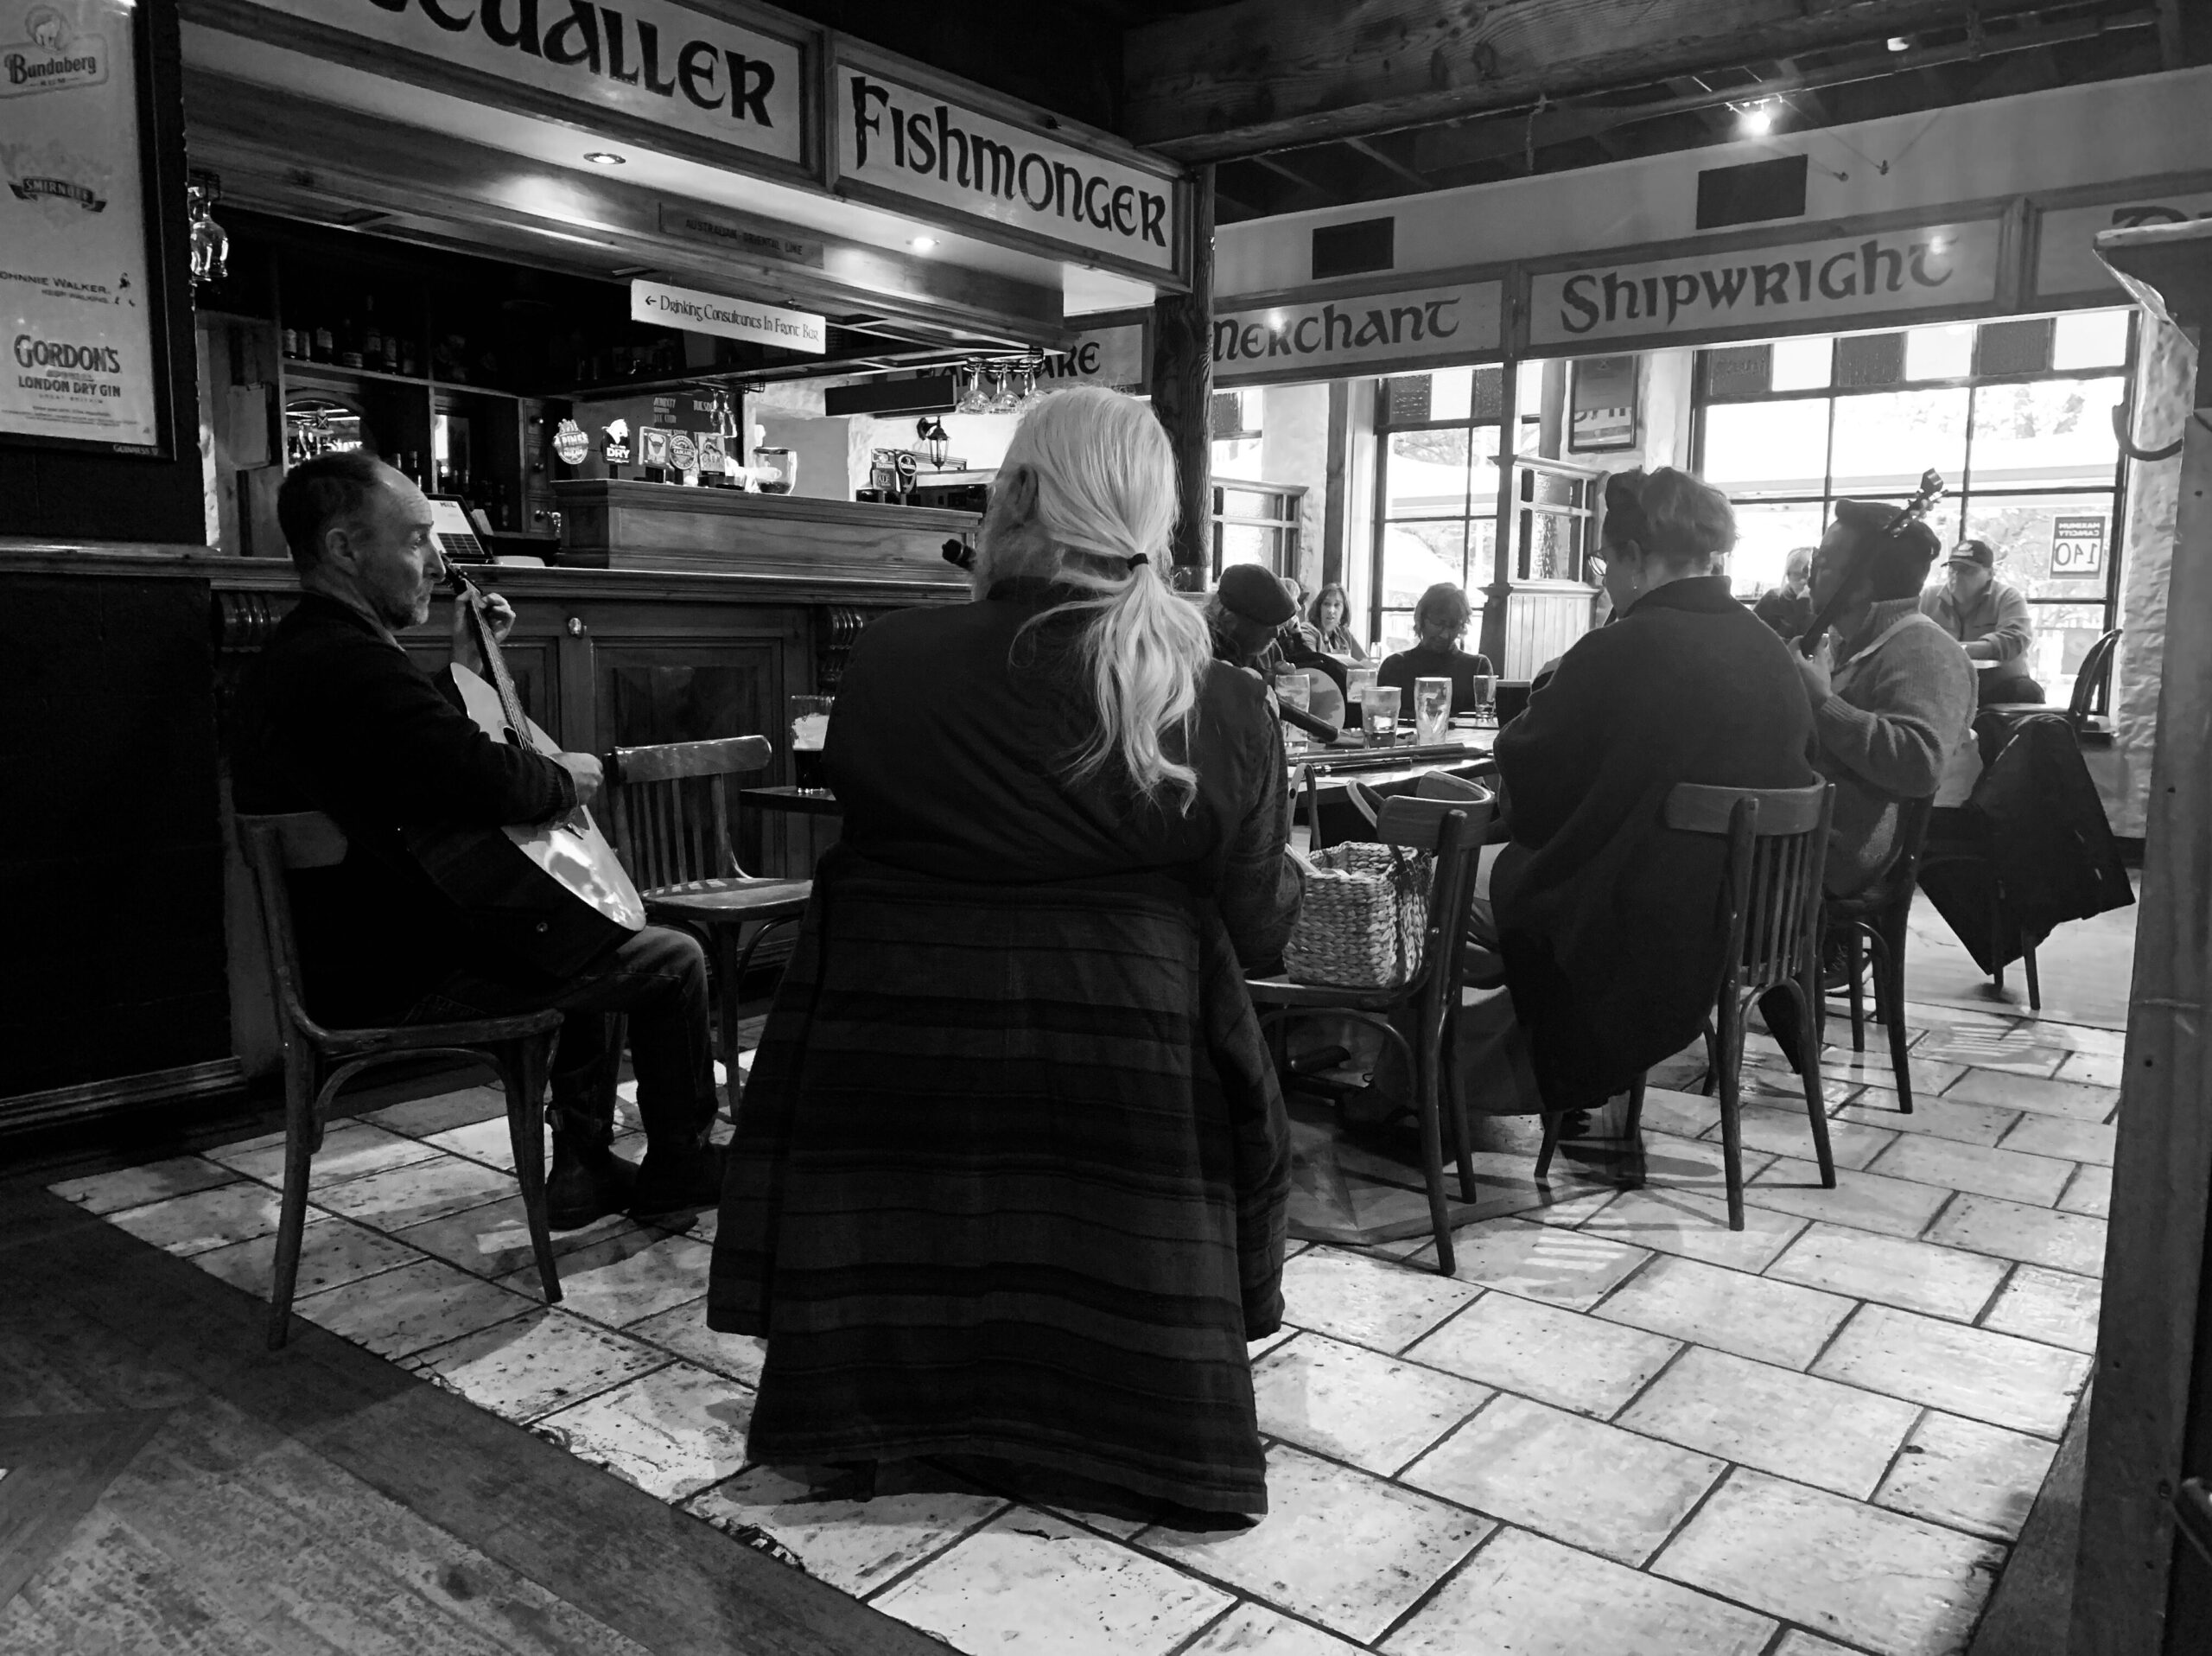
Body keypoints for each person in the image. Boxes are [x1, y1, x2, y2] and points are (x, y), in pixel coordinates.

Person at [708, 386, 1300, 1524]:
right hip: (1127, 1098)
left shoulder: (890, 665)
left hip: (905, 1065)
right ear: (1153, 515)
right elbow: (1260, 929)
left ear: (1017, 497)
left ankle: (890, 1409)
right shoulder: (1222, 703)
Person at [233, 452, 724, 1228]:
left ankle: (586, 1170)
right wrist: (569, 777)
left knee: (582, 930)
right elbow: (492, 780)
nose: (437, 562)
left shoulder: (311, 654)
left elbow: (422, 762)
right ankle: (679, 1162)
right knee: (670, 960)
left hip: (366, 948)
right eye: (417, 540)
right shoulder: (346, 665)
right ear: (343, 549)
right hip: (393, 972)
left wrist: (465, 668)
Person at [1485, 468, 1818, 1114]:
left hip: (1642, 916)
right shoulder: (1769, 649)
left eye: (1604, 559)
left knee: (1441, 881)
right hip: (1756, 920)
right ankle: (1548, 1079)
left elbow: (1527, 769)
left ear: (1635, 557)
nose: (1604, 574)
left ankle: (1434, 1092)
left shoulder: (1627, 644)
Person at [1795, 502, 1978, 896]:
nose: (1811, 576)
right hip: (1807, 828)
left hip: (1836, 852)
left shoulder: (1926, 650)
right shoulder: (1854, 642)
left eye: (1823, 563)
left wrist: (1823, 704)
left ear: (1861, 585)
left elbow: (1920, 764)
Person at [1921, 537, 2042, 704]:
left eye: (1967, 570)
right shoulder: (1928, 598)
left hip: (1998, 685)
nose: (1957, 576)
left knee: (2028, 692)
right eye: (1952, 569)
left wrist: (1963, 650)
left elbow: (2015, 638)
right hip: (1944, 684)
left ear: (1990, 573)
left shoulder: (2007, 597)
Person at [1375, 583, 1497, 717]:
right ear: (1421, 618)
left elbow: (1486, 723)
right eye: (1438, 623)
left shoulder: (1478, 667)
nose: (1445, 635)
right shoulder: (1394, 666)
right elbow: (1382, 718)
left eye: (1453, 626)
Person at [1753, 546, 1816, 640]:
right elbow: (1752, 632)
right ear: (1788, 575)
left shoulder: (1825, 603)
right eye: (1796, 575)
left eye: (1808, 575)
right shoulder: (1773, 599)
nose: (1803, 581)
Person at [1309, 583, 1370, 661]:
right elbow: (1311, 663)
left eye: (1337, 605)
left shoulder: (1343, 633)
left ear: (1344, 611)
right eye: (1326, 604)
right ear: (1318, 607)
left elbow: (1365, 662)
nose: (1331, 610)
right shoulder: (1308, 630)